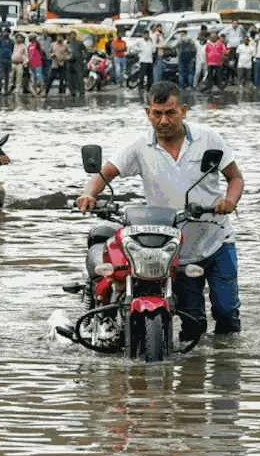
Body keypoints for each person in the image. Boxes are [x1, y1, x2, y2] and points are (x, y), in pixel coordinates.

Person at [77, 81, 244, 339]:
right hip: (174, 249)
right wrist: (89, 193)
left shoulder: (208, 138)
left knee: (226, 313)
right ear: (148, 113)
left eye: (170, 113)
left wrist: (229, 201)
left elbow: (235, 178)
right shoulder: (139, 146)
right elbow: (105, 174)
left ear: (184, 111)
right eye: (157, 113)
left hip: (217, 241)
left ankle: (228, 368)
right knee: (192, 323)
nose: (163, 120)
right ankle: (193, 374)